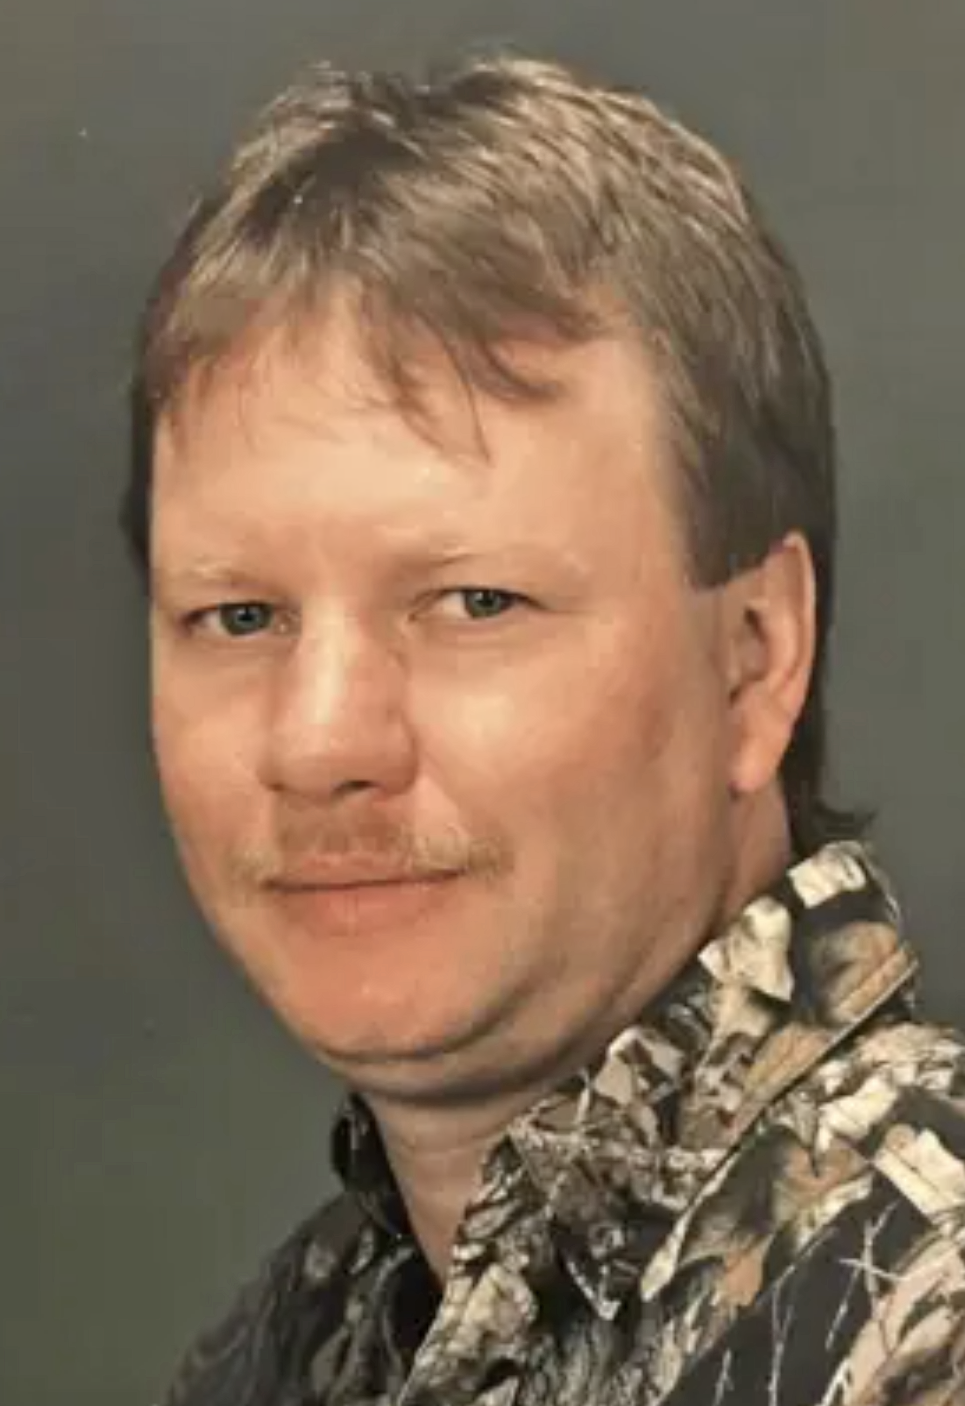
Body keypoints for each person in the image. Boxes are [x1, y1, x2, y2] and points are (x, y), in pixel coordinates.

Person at [127, 51, 965, 1406]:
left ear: (756, 658)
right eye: (240, 616)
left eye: (475, 601)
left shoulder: (927, 1307)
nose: (320, 741)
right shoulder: (288, 1352)